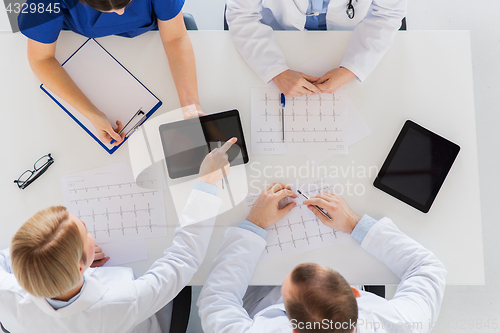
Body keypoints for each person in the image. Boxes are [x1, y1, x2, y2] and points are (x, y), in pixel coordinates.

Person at [0, 138, 236, 333]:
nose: (84, 222)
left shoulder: (5, 298)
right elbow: (183, 260)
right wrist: (207, 183)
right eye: (85, 231)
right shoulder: (121, 302)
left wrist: (62, 264)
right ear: (81, 267)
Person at [198, 183, 446, 332]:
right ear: (354, 292)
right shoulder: (400, 324)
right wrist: (354, 223)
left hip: (258, 296)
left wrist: (254, 225)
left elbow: (216, 300)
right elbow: (427, 268)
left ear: (292, 326)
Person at [18, 0, 203, 146]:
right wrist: (92, 114)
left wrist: (190, 107)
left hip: (150, 39)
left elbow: (175, 37)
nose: (121, 13)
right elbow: (40, 59)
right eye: (107, 9)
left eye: (127, 3)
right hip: (76, 41)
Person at [226, 0, 406, 97]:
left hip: (349, 39)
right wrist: (275, 71)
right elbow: (241, 14)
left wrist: (353, 68)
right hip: (278, 35)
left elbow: (387, 14)